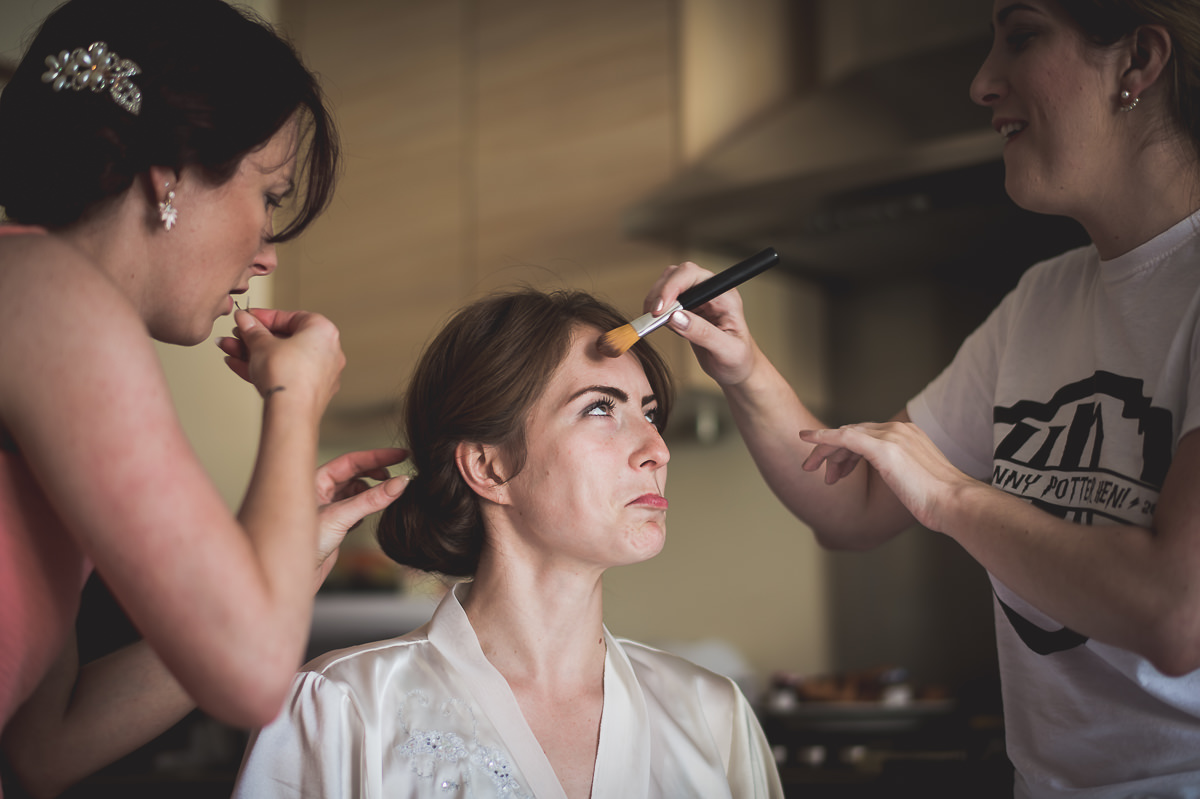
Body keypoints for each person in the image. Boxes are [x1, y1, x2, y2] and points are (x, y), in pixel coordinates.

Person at [644, 1, 1200, 796]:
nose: (982, 82)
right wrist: (741, 365)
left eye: (1023, 35)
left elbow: (1179, 612)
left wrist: (949, 494)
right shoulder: (1041, 302)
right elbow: (857, 502)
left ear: (1138, 63)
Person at [0, 0, 407, 795]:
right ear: (168, 180)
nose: (264, 254)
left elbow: (45, 745)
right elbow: (254, 673)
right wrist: (295, 393)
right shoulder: (51, 294)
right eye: (270, 196)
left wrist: (289, 563)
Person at [232, 289, 784, 798]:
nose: (657, 450)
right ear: (488, 466)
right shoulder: (343, 705)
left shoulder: (713, 713)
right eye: (600, 407)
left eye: (650, 413)